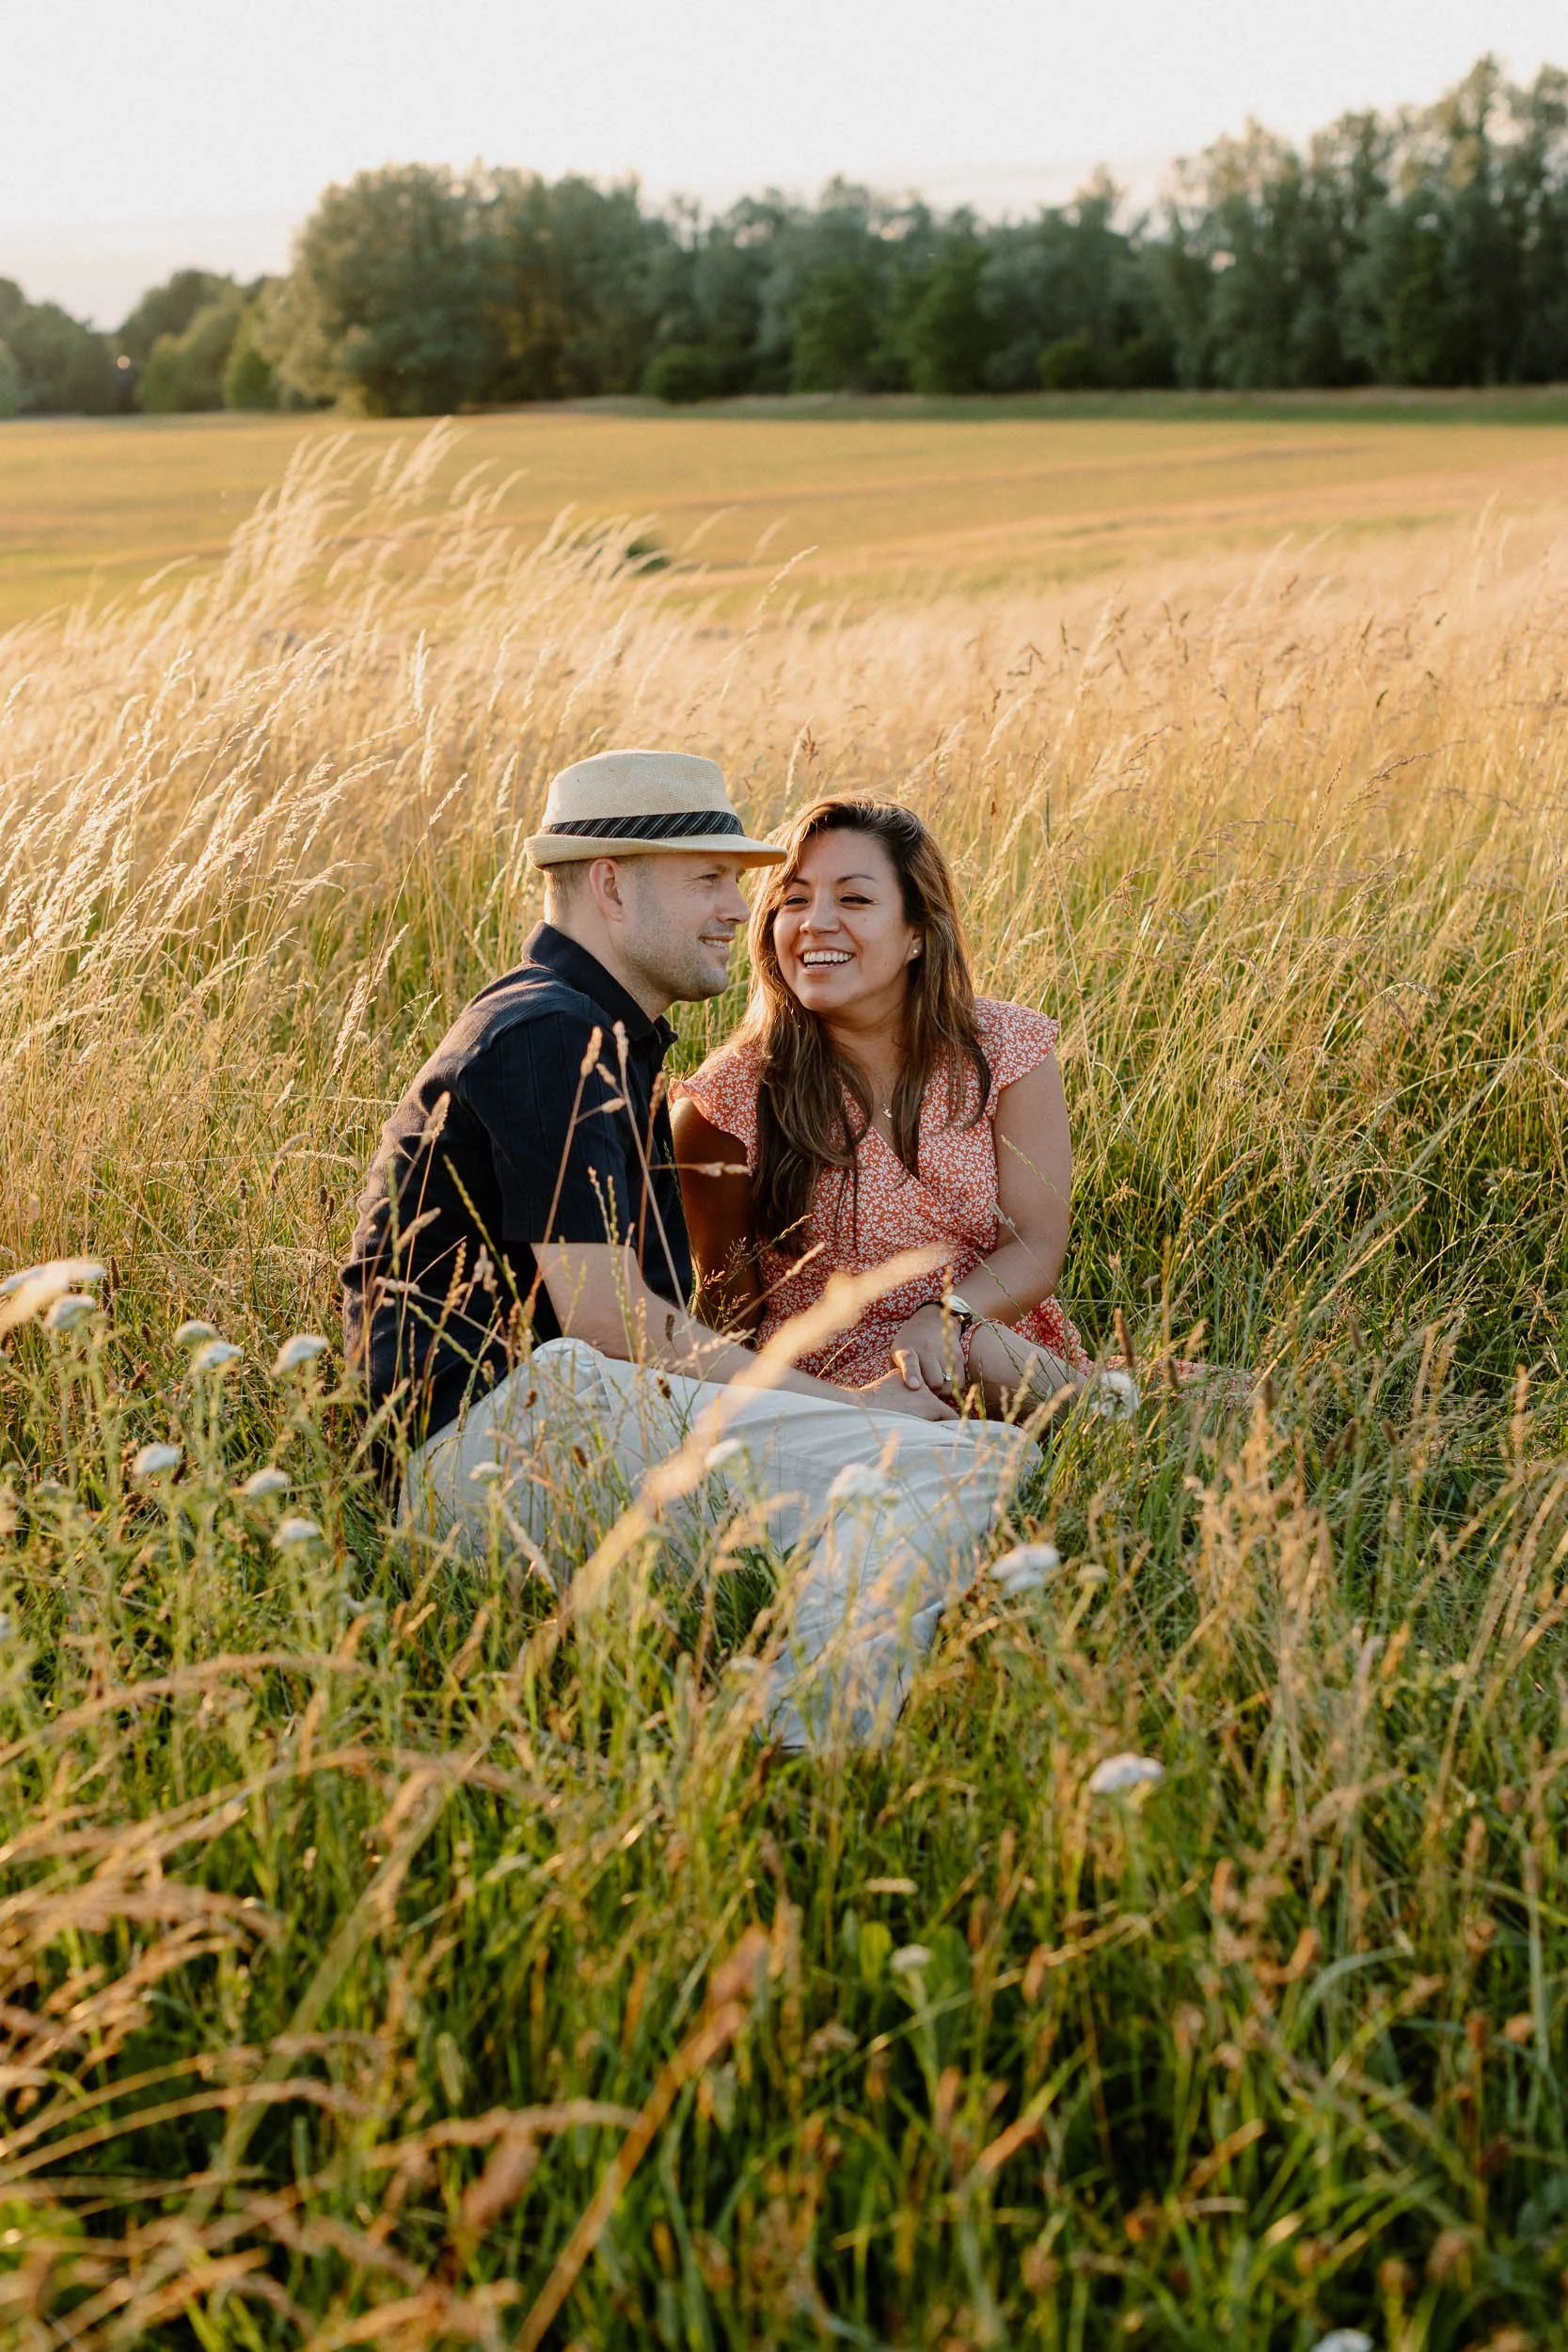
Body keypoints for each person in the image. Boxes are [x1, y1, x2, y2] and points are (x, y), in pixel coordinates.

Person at [341, 750, 1036, 1754]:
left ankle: (779, 1675)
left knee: (952, 1461)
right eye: (709, 878)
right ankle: (796, 1740)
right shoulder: (548, 1033)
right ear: (613, 883)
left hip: (534, 1423)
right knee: (957, 1469)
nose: (735, 909)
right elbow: (608, 1318)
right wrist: (847, 1406)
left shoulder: (598, 1033)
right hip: (488, 1441)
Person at [673, 796, 1132, 1420]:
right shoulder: (727, 1099)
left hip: (995, 1339)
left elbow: (1034, 1246)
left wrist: (940, 1317)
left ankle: (1109, 1422)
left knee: (1249, 1397)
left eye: (853, 900)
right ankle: (1114, 1424)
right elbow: (729, 1313)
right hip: (840, 1391)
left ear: (916, 932)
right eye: (795, 898)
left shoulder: (1003, 1047)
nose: (813, 922)